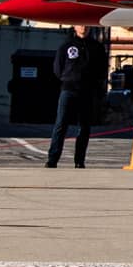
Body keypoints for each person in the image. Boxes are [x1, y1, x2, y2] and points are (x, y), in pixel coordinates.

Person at [45, 25, 106, 169]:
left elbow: (102, 69)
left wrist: (94, 84)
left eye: (86, 24)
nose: (83, 27)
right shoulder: (66, 46)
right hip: (69, 90)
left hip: (87, 91)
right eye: (80, 24)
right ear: (74, 27)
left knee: (84, 127)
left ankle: (79, 160)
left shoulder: (97, 47)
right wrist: (68, 79)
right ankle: (53, 159)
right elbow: (58, 68)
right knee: (61, 124)